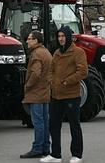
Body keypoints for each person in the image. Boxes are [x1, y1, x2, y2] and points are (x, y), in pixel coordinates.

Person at [40, 26, 88, 163]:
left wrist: (67, 81)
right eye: (59, 36)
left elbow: (83, 71)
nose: (61, 39)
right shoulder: (56, 53)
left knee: (74, 125)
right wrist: (51, 81)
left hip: (71, 95)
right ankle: (55, 154)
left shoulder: (78, 52)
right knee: (54, 125)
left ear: (68, 37)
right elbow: (51, 70)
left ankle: (77, 154)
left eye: (63, 36)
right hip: (56, 95)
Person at [20, 31, 52, 158]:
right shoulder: (46, 52)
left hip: (36, 92)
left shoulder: (36, 54)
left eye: (30, 39)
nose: (27, 41)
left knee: (38, 122)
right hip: (45, 91)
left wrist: (27, 85)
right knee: (45, 121)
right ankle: (45, 147)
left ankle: (37, 148)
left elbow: (36, 73)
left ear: (36, 41)